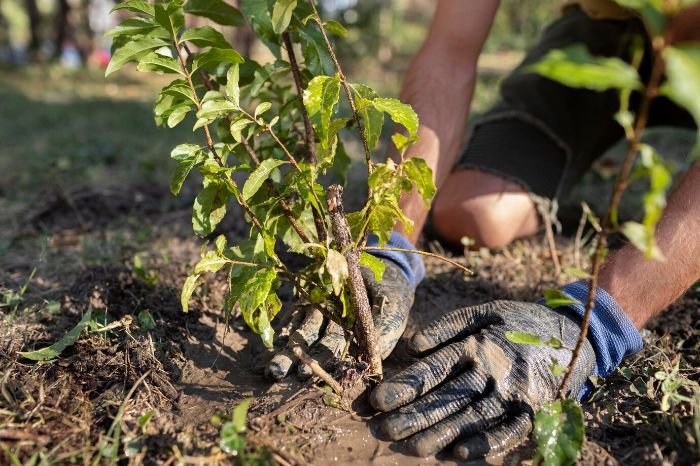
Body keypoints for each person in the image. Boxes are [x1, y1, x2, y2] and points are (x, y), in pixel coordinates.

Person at [266, 0, 700, 460]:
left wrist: (598, 322)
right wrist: (388, 239)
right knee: (472, 214)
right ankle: (584, 166)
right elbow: (449, 52)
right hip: (601, 39)